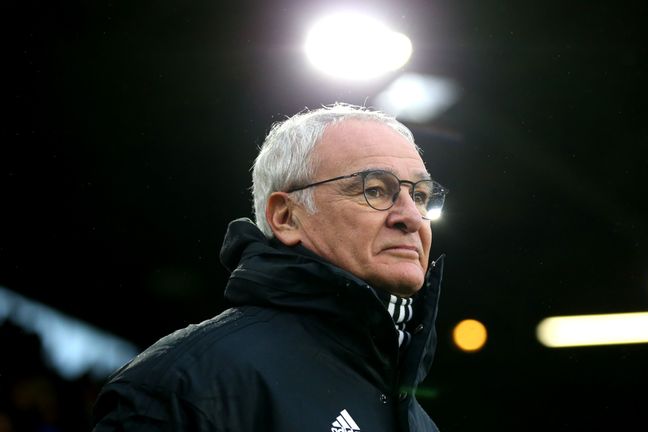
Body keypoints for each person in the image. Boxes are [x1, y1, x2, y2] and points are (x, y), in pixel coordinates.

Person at [91, 103, 448, 431]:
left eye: (419, 195)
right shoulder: (187, 385)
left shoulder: (422, 422)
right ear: (286, 216)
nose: (411, 218)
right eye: (375, 190)